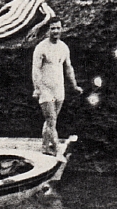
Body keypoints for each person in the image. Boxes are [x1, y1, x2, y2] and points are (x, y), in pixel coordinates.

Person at [31, 20, 82, 155]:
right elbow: (35, 69)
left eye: (58, 28)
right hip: (45, 89)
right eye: (52, 28)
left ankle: (45, 147)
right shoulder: (41, 47)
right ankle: (58, 150)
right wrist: (37, 88)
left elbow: (69, 67)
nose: (55, 31)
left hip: (59, 89)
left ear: (62, 29)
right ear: (48, 30)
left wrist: (74, 85)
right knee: (51, 119)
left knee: (51, 121)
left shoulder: (64, 47)